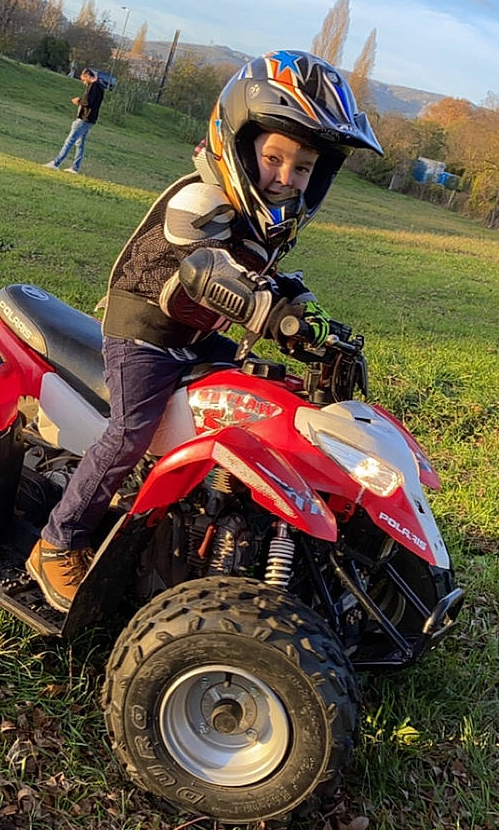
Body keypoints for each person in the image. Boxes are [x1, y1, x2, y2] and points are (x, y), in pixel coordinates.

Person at [28, 49, 383, 611]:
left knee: (262, 395)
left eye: (304, 168)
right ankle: (57, 541)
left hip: (193, 339)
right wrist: (270, 313)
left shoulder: (266, 218)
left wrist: (318, 332)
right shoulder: (200, 198)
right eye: (273, 158)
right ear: (240, 144)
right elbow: (208, 273)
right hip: (144, 336)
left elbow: (278, 282)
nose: (286, 178)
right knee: (130, 431)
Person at [45, 67, 105, 173]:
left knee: (69, 141)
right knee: (80, 143)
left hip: (84, 118)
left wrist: (79, 101)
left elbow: (88, 102)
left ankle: (56, 163)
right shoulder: (100, 86)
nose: (83, 82)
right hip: (91, 119)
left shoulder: (93, 86)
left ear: (87, 76)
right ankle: (75, 167)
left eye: (83, 79)